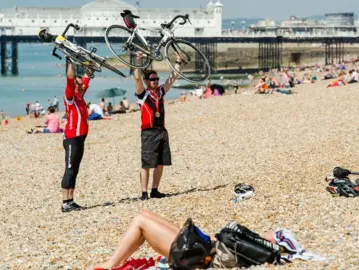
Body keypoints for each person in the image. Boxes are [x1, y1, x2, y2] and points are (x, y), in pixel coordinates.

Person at [92, 210, 277, 270]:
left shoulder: (258, 247)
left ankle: (111, 264)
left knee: (141, 221)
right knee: (144, 215)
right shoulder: (254, 244)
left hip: (199, 256)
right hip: (205, 248)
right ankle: (115, 261)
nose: (271, 233)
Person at [134, 51, 181, 200]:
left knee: (161, 163)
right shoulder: (143, 94)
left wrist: (178, 62)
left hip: (161, 130)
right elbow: (136, 78)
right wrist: (138, 60)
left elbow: (172, 79)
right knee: (147, 163)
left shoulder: (160, 91)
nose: (155, 81)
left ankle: (155, 190)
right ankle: (144, 192)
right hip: (148, 132)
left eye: (156, 78)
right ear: (147, 81)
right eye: (152, 79)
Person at [61, 62, 93, 212]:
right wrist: (72, 63)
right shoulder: (70, 96)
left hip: (81, 138)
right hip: (72, 138)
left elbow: (87, 78)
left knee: (75, 169)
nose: (82, 87)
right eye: (78, 85)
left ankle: (71, 200)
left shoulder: (80, 95)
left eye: (82, 86)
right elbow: (69, 78)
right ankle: (65, 202)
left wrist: (91, 66)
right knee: (69, 169)